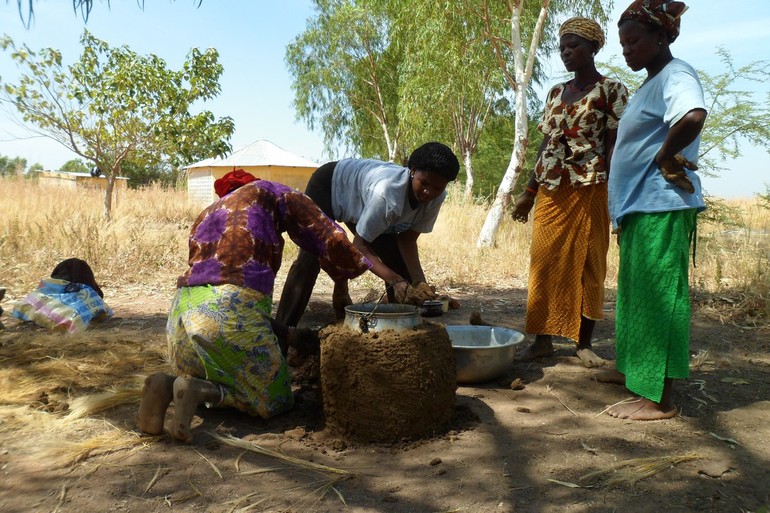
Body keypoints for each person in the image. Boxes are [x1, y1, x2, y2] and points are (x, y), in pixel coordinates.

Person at [137, 172, 372, 442]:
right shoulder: (270, 192)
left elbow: (230, 306)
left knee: (212, 363)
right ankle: (201, 392)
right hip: (229, 315)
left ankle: (166, 385)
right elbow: (325, 231)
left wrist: (290, 335)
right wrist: (359, 268)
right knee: (275, 397)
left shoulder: (207, 216)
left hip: (181, 320)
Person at [603, 0, 707, 420]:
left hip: (660, 203)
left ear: (662, 37)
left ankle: (658, 398)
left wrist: (666, 156)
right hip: (639, 206)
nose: (627, 50)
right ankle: (633, 370)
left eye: (635, 41)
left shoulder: (676, 74)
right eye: (623, 43)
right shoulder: (651, 83)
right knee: (636, 295)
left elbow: (693, 115)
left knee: (659, 296)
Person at [510, 17, 629, 367]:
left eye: (574, 46)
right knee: (543, 261)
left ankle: (583, 343)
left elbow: (615, 146)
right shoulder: (555, 93)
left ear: (593, 47)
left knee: (590, 262)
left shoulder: (611, 91)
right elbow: (546, 143)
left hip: (592, 187)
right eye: (563, 47)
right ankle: (542, 339)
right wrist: (528, 192)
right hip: (552, 188)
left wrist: (616, 196)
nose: (566, 53)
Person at [275, 141, 460, 327]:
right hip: (330, 185)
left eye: (437, 188)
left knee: (401, 270)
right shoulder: (388, 194)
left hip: (364, 200)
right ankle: (282, 330)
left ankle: (398, 330)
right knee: (310, 259)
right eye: (424, 183)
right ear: (412, 170)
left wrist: (420, 283)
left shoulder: (436, 198)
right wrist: (394, 280)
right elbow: (359, 246)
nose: (429, 192)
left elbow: (407, 239)